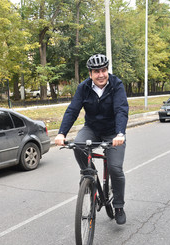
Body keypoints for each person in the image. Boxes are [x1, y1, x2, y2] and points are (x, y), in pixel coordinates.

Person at [54, 54, 129, 225]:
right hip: (92, 129)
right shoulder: (84, 87)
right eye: (97, 71)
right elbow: (73, 110)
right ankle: (88, 175)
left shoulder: (116, 84)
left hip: (112, 132)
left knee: (115, 168)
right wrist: (61, 133)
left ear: (107, 71)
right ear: (90, 74)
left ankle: (118, 206)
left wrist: (120, 134)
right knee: (78, 145)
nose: (101, 74)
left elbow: (121, 110)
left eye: (104, 70)